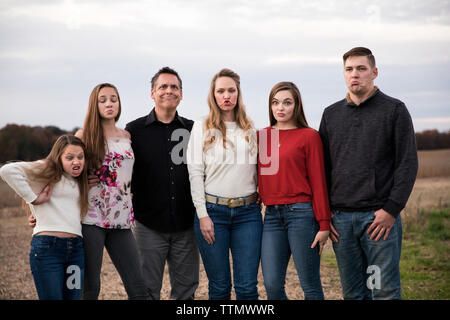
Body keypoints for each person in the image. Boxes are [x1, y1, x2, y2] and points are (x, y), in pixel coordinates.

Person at [318, 47, 418, 300]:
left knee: (383, 290)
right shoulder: (331, 115)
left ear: (374, 72)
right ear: (343, 74)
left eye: (361, 69)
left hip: (377, 221)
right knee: (353, 294)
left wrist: (391, 210)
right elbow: (323, 168)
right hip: (341, 221)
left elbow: (407, 164)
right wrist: (326, 213)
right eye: (349, 69)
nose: (355, 75)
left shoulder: (394, 110)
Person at [187, 68, 262, 300]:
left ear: (238, 94)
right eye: (221, 91)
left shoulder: (250, 128)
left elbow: (260, 169)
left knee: (247, 288)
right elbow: (195, 173)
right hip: (213, 214)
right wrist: (203, 215)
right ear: (213, 95)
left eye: (231, 90)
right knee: (219, 288)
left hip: (248, 215)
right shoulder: (201, 126)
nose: (226, 95)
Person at [125, 67, 199, 300]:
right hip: (148, 226)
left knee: (186, 292)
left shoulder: (194, 129)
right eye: (163, 87)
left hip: (186, 225)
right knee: (146, 291)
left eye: (174, 87)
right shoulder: (134, 130)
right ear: (152, 93)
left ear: (181, 93)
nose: (169, 91)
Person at [258, 82, 331, 300]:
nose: (280, 108)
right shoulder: (263, 136)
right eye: (275, 102)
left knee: (309, 285)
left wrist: (324, 223)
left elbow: (319, 182)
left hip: (301, 215)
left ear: (296, 105)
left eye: (287, 102)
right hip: (271, 217)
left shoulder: (309, 136)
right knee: (271, 285)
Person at [75, 83, 148, 300]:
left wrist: (128, 191)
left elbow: (127, 173)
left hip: (122, 219)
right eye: (103, 99)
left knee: (138, 287)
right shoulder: (84, 135)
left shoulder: (126, 136)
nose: (109, 103)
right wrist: (83, 182)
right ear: (94, 105)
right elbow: (65, 171)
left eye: (113, 99)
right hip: (91, 220)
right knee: (91, 288)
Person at [0, 135, 89, 300]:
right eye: (69, 158)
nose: (76, 162)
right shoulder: (46, 171)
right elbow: (7, 170)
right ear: (58, 157)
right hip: (48, 250)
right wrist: (33, 199)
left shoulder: (81, 181)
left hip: (76, 252)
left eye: (80, 157)